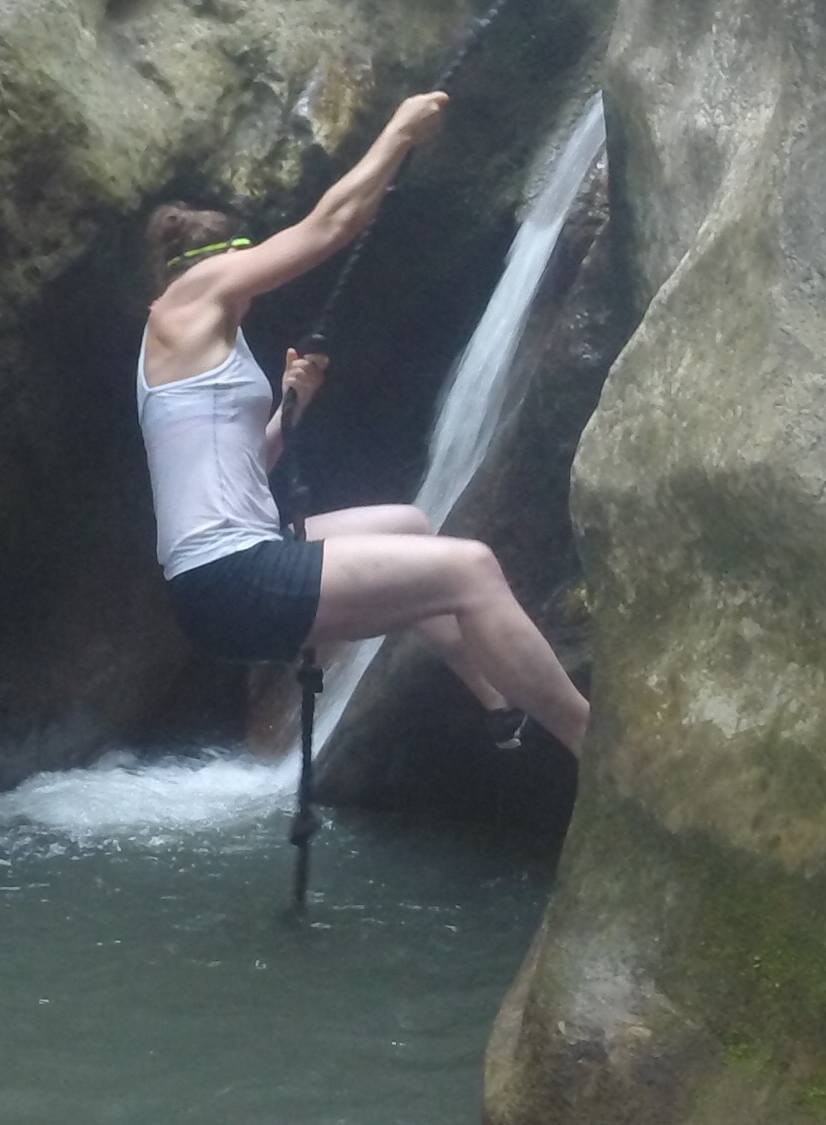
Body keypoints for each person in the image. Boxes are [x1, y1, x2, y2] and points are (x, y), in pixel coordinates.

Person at [134, 91, 591, 754]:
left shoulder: (194, 348)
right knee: (471, 568)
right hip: (232, 578)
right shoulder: (190, 298)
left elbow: (245, 471)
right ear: (219, 265)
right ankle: (590, 741)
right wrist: (398, 134)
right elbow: (332, 225)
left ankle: (498, 705)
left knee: (409, 525)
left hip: (223, 572)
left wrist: (293, 408)